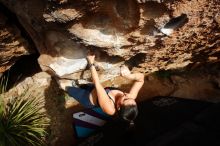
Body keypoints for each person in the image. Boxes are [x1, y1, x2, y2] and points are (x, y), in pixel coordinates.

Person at [65, 52, 144, 125]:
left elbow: (97, 83)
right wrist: (129, 76)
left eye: (125, 99)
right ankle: (77, 85)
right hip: (94, 88)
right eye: (131, 98)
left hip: (86, 97)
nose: (127, 94)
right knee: (82, 85)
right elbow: (141, 79)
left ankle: (68, 88)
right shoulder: (130, 97)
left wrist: (91, 63)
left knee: (68, 88)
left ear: (119, 107)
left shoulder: (109, 108)